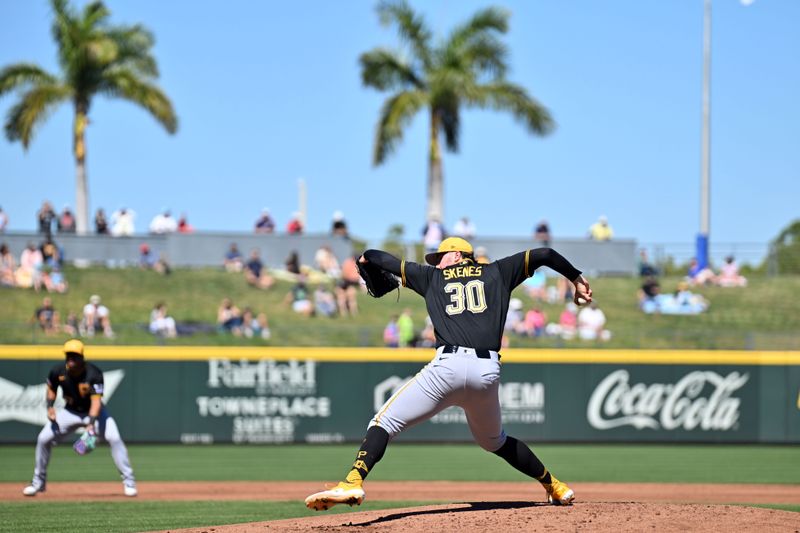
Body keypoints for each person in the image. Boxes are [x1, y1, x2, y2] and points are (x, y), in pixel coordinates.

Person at [304, 237, 591, 510]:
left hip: (448, 367)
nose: (437, 262)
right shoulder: (499, 271)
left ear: (457, 255)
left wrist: (365, 257)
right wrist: (576, 278)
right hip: (486, 372)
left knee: (384, 421)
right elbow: (544, 254)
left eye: (440, 257)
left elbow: (382, 259)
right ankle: (555, 486)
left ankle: (352, 481)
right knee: (495, 441)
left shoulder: (431, 277)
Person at [22, 339, 137, 497]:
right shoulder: (58, 371)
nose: (71, 359)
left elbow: (96, 402)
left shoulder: (93, 373)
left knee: (114, 438)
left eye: (74, 356)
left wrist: (90, 424)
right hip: (69, 412)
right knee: (43, 438)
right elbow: (51, 389)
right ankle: (38, 482)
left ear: (82, 357)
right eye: (68, 355)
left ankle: (129, 482)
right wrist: (50, 407)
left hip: (94, 413)